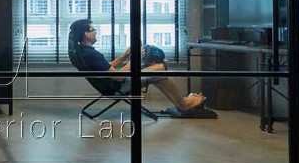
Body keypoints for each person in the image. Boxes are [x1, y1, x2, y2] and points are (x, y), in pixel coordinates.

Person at [68, 18, 205, 113]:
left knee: (158, 74)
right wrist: (136, 60)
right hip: (117, 88)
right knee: (160, 69)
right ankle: (182, 104)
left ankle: (181, 102)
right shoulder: (91, 54)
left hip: (109, 85)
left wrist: (124, 56)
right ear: (86, 34)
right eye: (93, 30)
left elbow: (105, 67)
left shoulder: (81, 52)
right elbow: (120, 78)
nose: (96, 32)